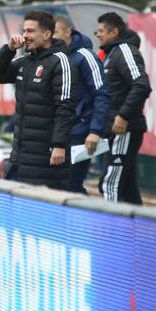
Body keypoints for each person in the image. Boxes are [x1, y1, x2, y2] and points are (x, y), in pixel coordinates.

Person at [0, 10, 76, 190]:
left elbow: (65, 107)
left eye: (30, 31)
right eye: (24, 31)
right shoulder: (25, 61)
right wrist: (9, 49)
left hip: (46, 155)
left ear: (47, 35)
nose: (25, 36)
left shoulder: (61, 62)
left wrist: (59, 145)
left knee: (43, 212)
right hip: (20, 155)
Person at [95, 12, 151, 204]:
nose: (98, 35)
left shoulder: (125, 51)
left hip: (124, 129)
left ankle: (110, 232)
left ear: (114, 32)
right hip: (115, 128)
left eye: (101, 31)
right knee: (127, 187)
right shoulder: (112, 53)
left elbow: (141, 84)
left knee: (110, 184)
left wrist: (123, 116)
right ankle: (137, 231)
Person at [54, 15, 110, 193]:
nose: (52, 37)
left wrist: (94, 131)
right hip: (57, 132)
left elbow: (102, 93)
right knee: (55, 186)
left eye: (56, 32)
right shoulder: (51, 57)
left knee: (72, 185)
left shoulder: (85, 57)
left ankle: (80, 221)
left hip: (80, 131)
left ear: (68, 31)